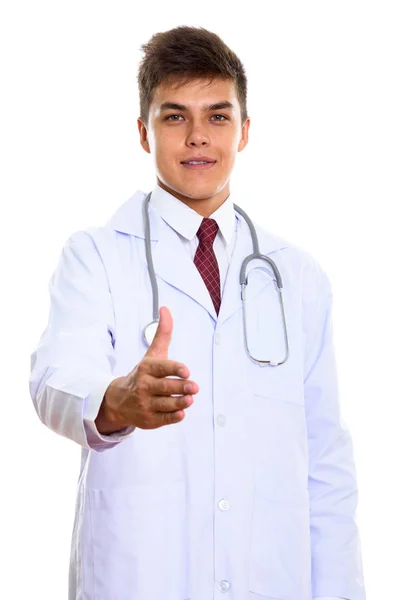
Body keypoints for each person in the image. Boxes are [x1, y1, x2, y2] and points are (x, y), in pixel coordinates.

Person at [29, 25, 366, 600]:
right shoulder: (96, 255)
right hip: (140, 579)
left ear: (245, 130)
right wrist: (116, 401)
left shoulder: (298, 276)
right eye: (174, 117)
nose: (197, 139)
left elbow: (326, 462)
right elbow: (54, 380)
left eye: (217, 116)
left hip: (272, 581)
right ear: (143, 132)